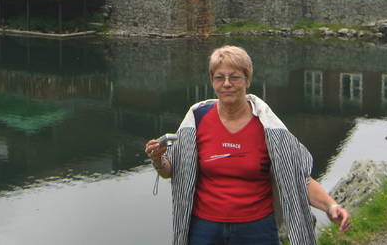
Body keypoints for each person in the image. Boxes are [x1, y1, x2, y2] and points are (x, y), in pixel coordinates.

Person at [145, 45, 350, 245]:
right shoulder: (196, 120)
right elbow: (171, 171)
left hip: (256, 229)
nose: (227, 84)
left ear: (247, 80)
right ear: (212, 81)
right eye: (219, 77)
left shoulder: (269, 127)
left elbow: (297, 178)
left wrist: (330, 205)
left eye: (234, 77)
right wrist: (158, 160)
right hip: (204, 228)